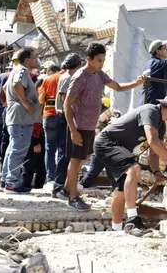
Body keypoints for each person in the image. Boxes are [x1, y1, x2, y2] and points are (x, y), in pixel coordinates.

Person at [63, 43, 145, 210]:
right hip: (78, 126)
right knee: (75, 160)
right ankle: (73, 197)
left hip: (90, 126)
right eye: (98, 60)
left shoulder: (99, 75)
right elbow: (67, 104)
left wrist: (136, 83)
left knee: (82, 159)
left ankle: (66, 189)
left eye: (103, 60)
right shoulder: (80, 77)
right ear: (89, 59)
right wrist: (72, 130)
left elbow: (118, 87)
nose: (101, 63)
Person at [94, 93, 167, 233]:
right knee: (133, 168)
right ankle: (132, 219)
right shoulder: (151, 111)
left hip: (120, 149)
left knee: (120, 190)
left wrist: (156, 172)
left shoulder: (160, 126)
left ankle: (116, 229)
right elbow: (153, 141)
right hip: (107, 143)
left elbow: (153, 153)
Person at [1, 48, 40, 194]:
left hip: (15, 115)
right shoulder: (22, 71)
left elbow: (4, 89)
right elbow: (16, 85)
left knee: (13, 149)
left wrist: (12, 103)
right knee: (18, 150)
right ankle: (12, 184)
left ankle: (6, 181)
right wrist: (24, 103)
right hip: (21, 117)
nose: (36, 60)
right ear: (27, 59)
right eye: (34, 58)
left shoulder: (15, 71)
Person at [51, 53, 82, 199]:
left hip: (66, 118)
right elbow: (66, 101)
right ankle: (58, 187)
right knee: (65, 154)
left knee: (67, 153)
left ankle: (63, 186)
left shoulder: (69, 76)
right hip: (64, 118)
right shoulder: (68, 77)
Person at [38, 63, 64, 185]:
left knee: (50, 148)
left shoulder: (48, 79)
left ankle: (50, 178)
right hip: (65, 116)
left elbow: (41, 100)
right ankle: (61, 178)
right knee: (63, 149)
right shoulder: (72, 77)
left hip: (49, 115)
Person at [22, 79, 46, 189]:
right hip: (34, 136)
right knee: (31, 164)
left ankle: (38, 186)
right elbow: (33, 123)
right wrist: (36, 142)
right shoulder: (33, 102)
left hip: (38, 135)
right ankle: (26, 185)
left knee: (40, 164)